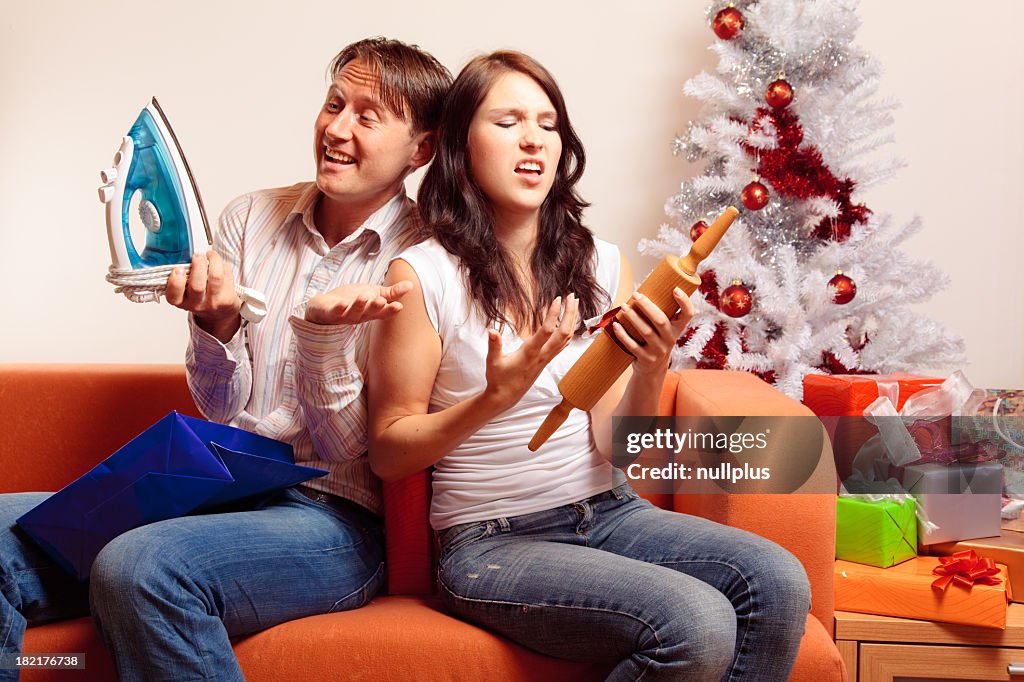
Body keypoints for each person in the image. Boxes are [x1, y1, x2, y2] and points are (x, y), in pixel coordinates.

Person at [0, 37, 450, 681]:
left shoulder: (425, 261)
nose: (337, 128)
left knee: (144, 566)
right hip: (214, 490)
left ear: (422, 150)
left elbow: (355, 447)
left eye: (367, 115)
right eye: (332, 104)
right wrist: (215, 322)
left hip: (332, 521)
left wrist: (322, 345)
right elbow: (221, 409)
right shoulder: (250, 218)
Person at [367, 51, 810, 681]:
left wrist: (653, 363)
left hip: (610, 510)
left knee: (778, 582)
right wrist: (493, 400)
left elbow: (621, 449)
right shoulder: (422, 276)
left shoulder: (602, 262)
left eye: (548, 124)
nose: (533, 140)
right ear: (461, 146)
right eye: (508, 121)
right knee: (696, 622)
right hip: (491, 541)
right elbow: (387, 451)